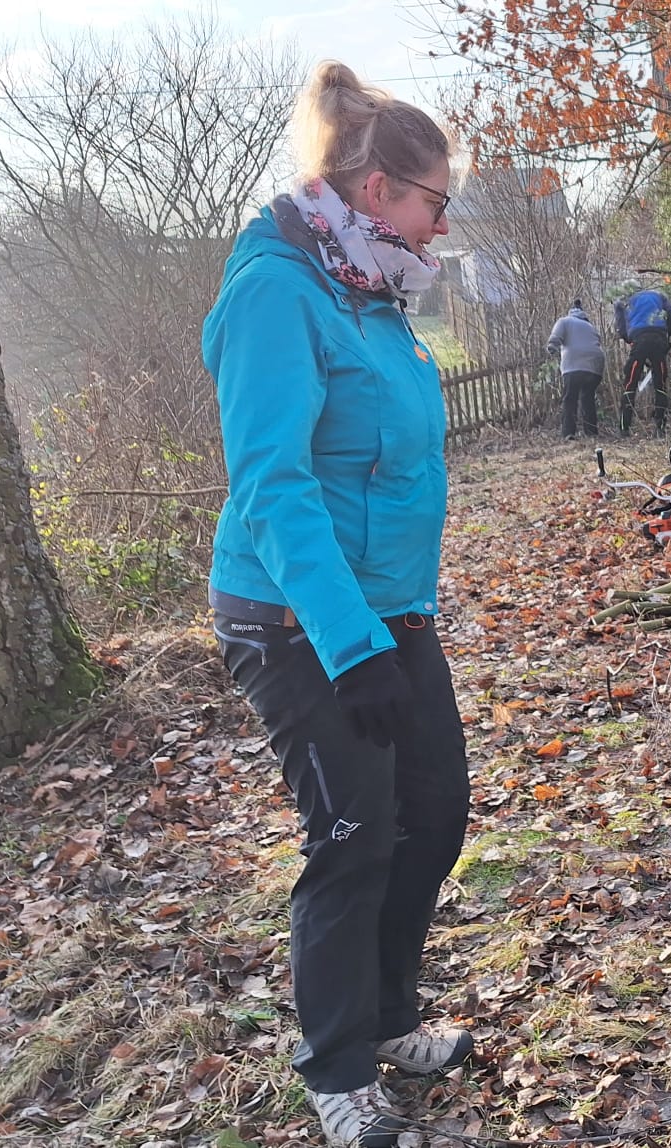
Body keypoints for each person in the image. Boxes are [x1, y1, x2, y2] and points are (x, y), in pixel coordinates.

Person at [203, 61, 471, 1148]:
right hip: (293, 616)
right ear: (375, 193)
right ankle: (338, 1063)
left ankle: (393, 1015)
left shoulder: (368, 289)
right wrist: (349, 643)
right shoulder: (277, 289)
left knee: (435, 812)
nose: (441, 228)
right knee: (354, 830)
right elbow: (275, 485)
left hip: (388, 611)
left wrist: (390, 620)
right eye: (434, 203)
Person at [613, 283, 671, 435]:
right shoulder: (659, 296)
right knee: (660, 384)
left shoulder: (624, 299)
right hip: (658, 340)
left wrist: (628, 339)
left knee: (630, 382)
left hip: (639, 340)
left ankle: (624, 429)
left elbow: (621, 324)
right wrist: (666, 335)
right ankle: (660, 428)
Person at [547, 298, 605, 440]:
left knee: (570, 398)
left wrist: (552, 347)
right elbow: (597, 341)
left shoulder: (564, 321)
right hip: (596, 365)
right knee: (588, 397)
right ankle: (591, 432)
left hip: (574, 364)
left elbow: (555, 338)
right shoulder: (590, 327)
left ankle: (568, 433)